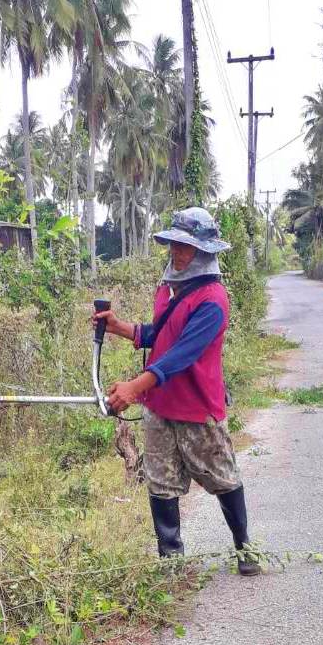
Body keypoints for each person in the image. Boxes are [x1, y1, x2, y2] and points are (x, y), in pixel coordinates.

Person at [93, 207, 261, 577]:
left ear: (204, 251)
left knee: (223, 477)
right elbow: (161, 335)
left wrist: (135, 387)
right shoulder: (170, 290)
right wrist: (119, 327)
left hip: (197, 408)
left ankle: (245, 549)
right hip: (161, 407)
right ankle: (171, 561)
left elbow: (183, 354)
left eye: (184, 247)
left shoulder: (213, 299)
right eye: (173, 245)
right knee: (160, 482)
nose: (176, 253)